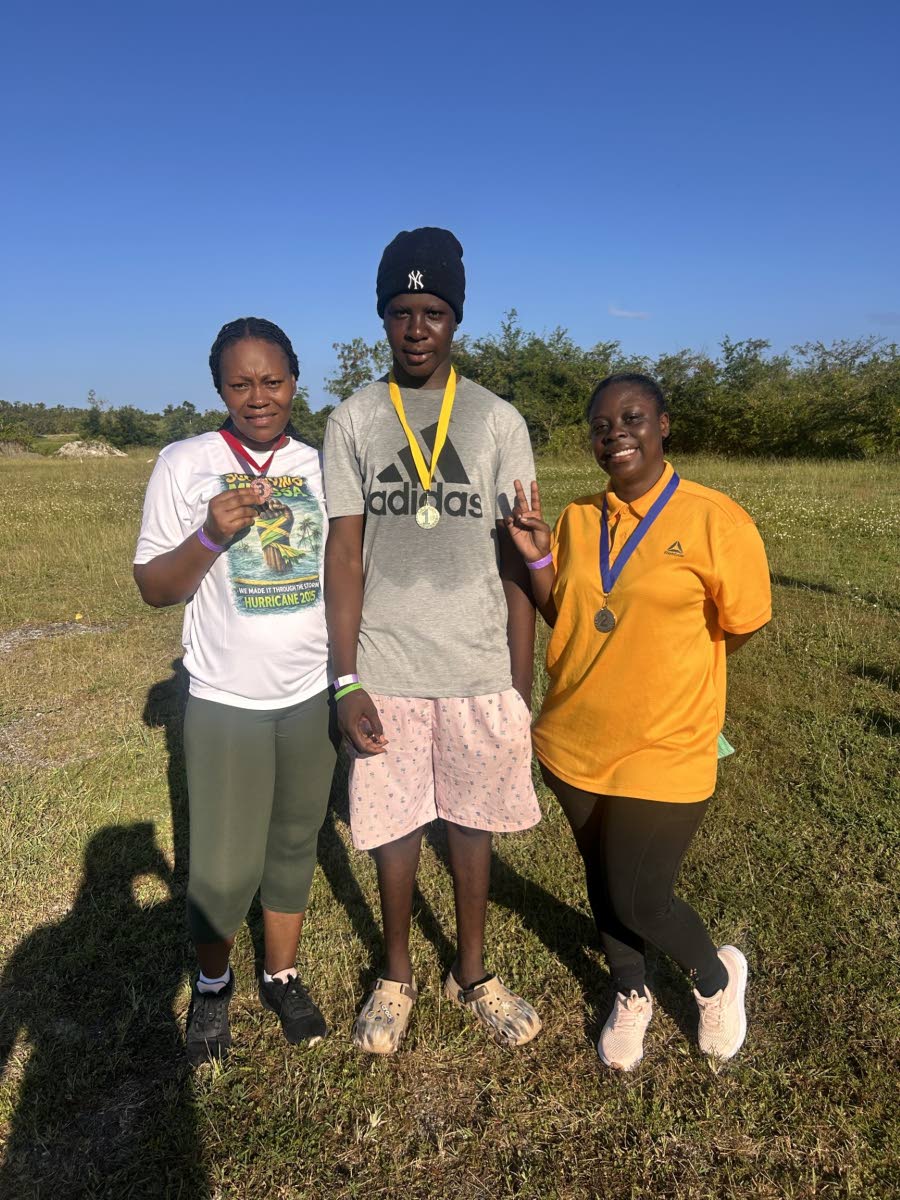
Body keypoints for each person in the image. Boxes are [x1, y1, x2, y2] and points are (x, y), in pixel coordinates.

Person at [506, 372, 771, 1071]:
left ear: (663, 425)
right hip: (573, 736)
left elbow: (738, 626)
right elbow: (567, 615)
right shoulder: (577, 517)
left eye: (632, 418)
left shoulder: (718, 520)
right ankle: (631, 992)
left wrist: (666, 671)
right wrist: (537, 552)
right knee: (601, 876)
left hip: (666, 742)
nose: (615, 432)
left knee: (641, 893)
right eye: (601, 424)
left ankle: (716, 978)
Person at [323, 227, 543, 1054]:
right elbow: (344, 557)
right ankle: (396, 975)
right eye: (402, 312)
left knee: (473, 825)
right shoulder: (352, 421)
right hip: (386, 665)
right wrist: (345, 680)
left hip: (478, 663)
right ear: (383, 317)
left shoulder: (495, 421)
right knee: (394, 828)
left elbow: (517, 557)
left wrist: (518, 683)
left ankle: (474, 972)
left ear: (456, 318)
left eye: (434, 311)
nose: (418, 328)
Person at [134, 317, 333, 1065]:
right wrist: (210, 537)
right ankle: (214, 984)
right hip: (225, 698)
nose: (258, 397)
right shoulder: (185, 462)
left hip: (310, 692)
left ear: (294, 380)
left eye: (272, 380)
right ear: (219, 387)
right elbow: (154, 586)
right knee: (222, 866)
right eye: (240, 383)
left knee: (292, 843)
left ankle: (281, 974)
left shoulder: (319, 464)